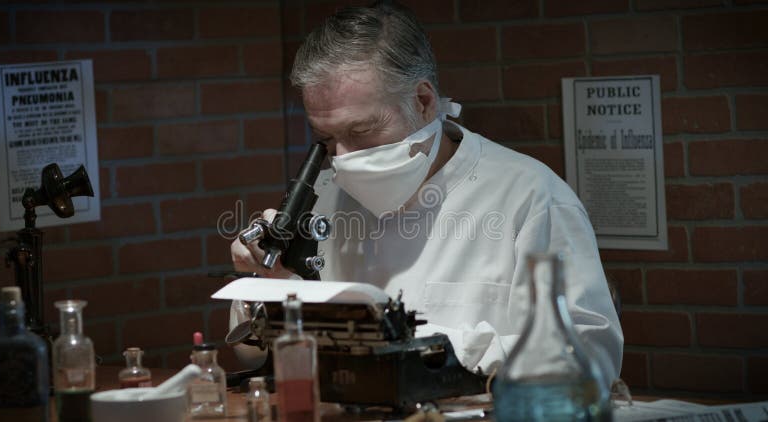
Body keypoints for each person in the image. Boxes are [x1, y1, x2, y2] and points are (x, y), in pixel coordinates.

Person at [231, 1, 623, 387]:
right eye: (327, 139)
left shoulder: (530, 196)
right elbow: (252, 353)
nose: (344, 160)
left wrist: (415, 345)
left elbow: (589, 357)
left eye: (362, 132)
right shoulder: (323, 197)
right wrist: (267, 284)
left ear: (423, 102)